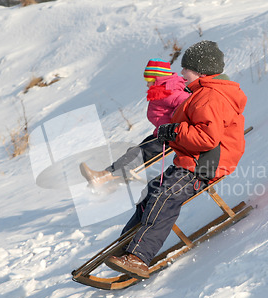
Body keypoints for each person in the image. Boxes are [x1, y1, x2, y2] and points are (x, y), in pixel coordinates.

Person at [104, 40, 247, 279]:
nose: (181, 73)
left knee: (165, 196)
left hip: (207, 164)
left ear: (201, 71)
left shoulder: (210, 97)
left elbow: (207, 138)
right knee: (151, 192)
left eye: (185, 69)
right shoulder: (202, 93)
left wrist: (174, 132)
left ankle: (138, 257)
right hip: (193, 160)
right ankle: (126, 246)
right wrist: (171, 131)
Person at [80, 59, 190, 187]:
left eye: (149, 81)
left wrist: (174, 124)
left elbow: (186, 106)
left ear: (158, 80)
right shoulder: (165, 91)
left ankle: (103, 177)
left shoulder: (170, 92)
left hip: (173, 136)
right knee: (135, 152)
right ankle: (114, 181)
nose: (147, 85)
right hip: (164, 134)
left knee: (139, 154)